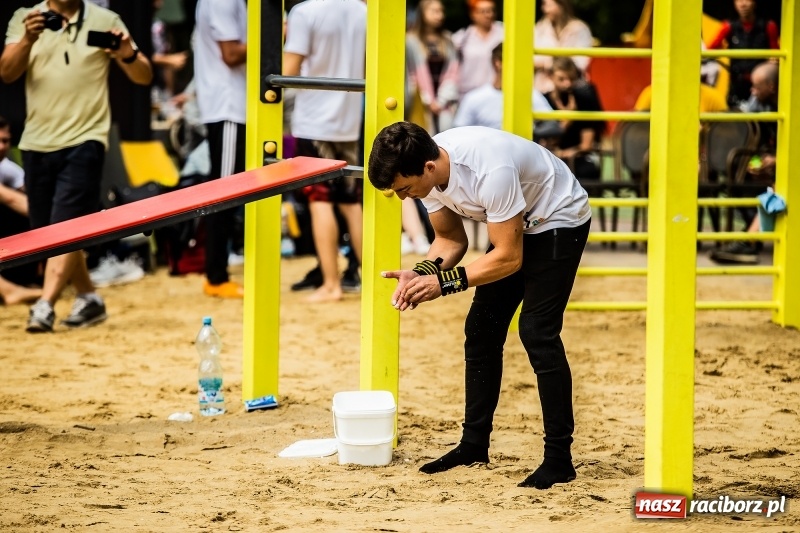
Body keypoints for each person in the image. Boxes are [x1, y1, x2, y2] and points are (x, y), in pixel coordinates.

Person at [368, 122, 591, 489]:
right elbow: (450, 240)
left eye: (404, 189)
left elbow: (509, 258)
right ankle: (473, 445)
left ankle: (559, 460)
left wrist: (443, 284)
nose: (405, 198)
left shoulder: (489, 169)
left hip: (558, 217)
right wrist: (422, 272)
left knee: (537, 331)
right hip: (517, 225)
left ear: (428, 167)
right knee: (481, 328)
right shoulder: (426, 172)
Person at [1, 0, 152, 332]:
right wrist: (27, 39)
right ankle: (89, 296)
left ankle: (45, 304)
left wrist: (127, 54)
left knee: (65, 226)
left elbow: (144, 76)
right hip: (37, 143)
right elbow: (7, 72)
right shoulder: (26, 19)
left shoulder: (105, 19)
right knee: (50, 234)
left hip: (86, 139)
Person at [284, 0, 367, 303]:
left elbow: (288, 72)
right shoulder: (362, 10)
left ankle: (331, 284)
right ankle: (374, 280)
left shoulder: (305, 12)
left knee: (320, 202)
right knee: (350, 203)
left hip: (314, 121)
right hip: (348, 120)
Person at [194, 0, 247, 298]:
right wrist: (274, 34)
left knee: (227, 193)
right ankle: (216, 276)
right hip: (229, 107)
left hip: (231, 106)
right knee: (223, 194)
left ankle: (217, 272)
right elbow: (231, 54)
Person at [710, 61, 778, 265]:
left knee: (778, 187)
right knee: (740, 179)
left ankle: (749, 242)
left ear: (771, 87)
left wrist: (776, 160)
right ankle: (751, 233)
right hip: (777, 161)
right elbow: (754, 138)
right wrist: (759, 162)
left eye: (756, 86)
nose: (752, 91)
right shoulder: (758, 103)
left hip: (789, 166)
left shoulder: (792, 104)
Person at [454, 42, 560, 140]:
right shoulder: (474, 98)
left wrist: (525, 135)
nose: (521, 66)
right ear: (498, 63)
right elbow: (458, 134)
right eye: (515, 61)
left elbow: (553, 126)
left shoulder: (531, 94)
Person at [0, 116, 42, 305]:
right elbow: (11, 199)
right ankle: (9, 291)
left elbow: (31, 200)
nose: (2, 146)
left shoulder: (7, 168)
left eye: (5, 141)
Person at [542, 57, 605, 181]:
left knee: (586, 171)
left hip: (577, 158)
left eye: (571, 79)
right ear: (550, 76)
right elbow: (545, 141)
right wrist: (567, 120)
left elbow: (586, 145)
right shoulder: (542, 101)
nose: (567, 84)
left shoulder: (585, 101)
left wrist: (568, 152)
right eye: (561, 79)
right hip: (549, 158)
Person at [707, 0, 779, 107]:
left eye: (747, 0)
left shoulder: (768, 26)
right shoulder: (728, 26)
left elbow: (776, 57)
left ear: (755, 2)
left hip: (761, 89)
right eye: (739, 0)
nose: (743, 4)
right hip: (737, 85)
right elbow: (709, 51)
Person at [406, 0, 460, 135]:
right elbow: (410, 73)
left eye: (441, 11)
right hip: (420, 101)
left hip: (444, 102)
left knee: (446, 135)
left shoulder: (448, 39)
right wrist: (427, 100)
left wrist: (441, 101)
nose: (440, 15)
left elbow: (453, 71)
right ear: (423, 13)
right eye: (435, 11)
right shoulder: (411, 41)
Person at [534, 0, 594, 94]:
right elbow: (533, 60)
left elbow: (580, 62)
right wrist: (561, 63)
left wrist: (549, 64)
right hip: (543, 89)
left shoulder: (580, 29)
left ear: (561, 4)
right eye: (543, 4)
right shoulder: (540, 28)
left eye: (548, 5)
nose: (544, 9)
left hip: (574, 88)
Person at [451, 0, 504, 100]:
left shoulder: (504, 33)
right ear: (473, 14)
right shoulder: (461, 37)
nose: (488, 15)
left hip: (497, 94)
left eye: (491, 10)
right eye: (483, 11)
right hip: (468, 94)